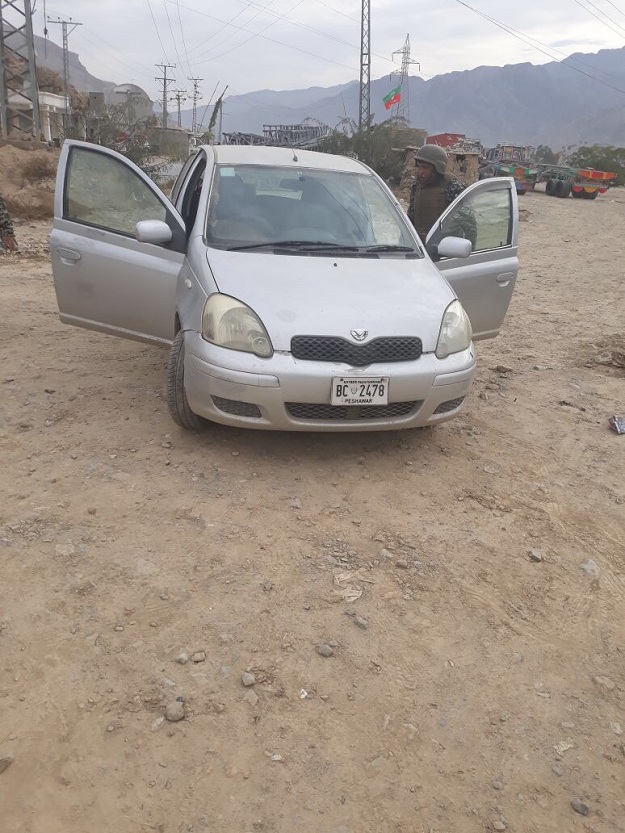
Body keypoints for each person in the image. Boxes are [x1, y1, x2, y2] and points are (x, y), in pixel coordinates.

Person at [407, 144, 467, 241]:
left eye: (425, 167)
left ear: (437, 169)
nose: (420, 172)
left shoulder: (453, 187)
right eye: (418, 167)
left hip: (446, 248)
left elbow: (468, 224)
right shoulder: (417, 186)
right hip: (421, 246)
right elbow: (410, 219)